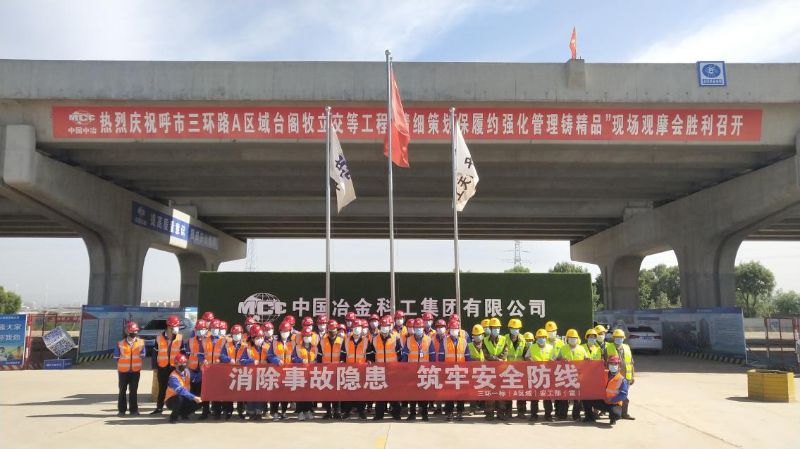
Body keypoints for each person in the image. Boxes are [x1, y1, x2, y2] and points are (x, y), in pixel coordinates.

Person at [368, 315, 402, 420]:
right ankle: (379, 414)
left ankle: (396, 413)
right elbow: (371, 355)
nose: (384, 328)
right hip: (380, 370)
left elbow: (400, 355)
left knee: (394, 393)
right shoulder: (374, 339)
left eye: (386, 326)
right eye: (382, 326)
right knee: (380, 394)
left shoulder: (395, 338)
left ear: (389, 326)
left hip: (393, 370)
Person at [402, 318, 436, 421]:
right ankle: (412, 413)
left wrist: (431, 369)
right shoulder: (409, 340)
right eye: (416, 328)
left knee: (424, 394)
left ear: (423, 328)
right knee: (412, 394)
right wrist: (404, 368)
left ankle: (424, 414)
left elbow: (432, 356)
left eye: (420, 327)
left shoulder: (428, 340)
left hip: (424, 371)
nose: (418, 330)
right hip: (412, 371)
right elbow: (404, 356)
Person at [151, 315, 184, 415]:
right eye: (176, 326)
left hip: (175, 368)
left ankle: (176, 408)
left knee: (176, 388)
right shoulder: (159, 338)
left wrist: (182, 366)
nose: (177, 328)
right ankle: (159, 408)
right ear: (169, 327)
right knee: (162, 388)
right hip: (162, 367)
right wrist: (154, 367)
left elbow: (183, 353)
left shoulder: (180, 338)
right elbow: (154, 353)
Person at [220, 324, 253, 420]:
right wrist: (228, 359)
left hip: (241, 372)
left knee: (241, 393)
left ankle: (240, 411)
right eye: (235, 334)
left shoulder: (245, 346)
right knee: (228, 392)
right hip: (229, 372)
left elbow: (249, 358)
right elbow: (222, 356)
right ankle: (228, 411)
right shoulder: (227, 345)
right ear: (231, 335)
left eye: (238, 334)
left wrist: (243, 361)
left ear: (242, 334)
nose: (236, 335)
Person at [583, 355, 627, 425]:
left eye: (615, 364)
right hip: (602, 401)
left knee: (616, 414)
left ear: (618, 365)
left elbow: (623, 395)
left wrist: (611, 399)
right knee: (586, 398)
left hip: (614, 403)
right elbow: (592, 371)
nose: (613, 365)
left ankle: (612, 419)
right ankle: (589, 417)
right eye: (611, 363)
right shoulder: (603, 373)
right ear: (608, 364)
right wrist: (589, 362)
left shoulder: (622, 379)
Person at [114, 321, 146, 416]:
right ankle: (121, 410)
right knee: (122, 391)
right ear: (127, 331)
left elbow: (143, 355)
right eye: (132, 331)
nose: (134, 333)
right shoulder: (120, 344)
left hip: (135, 371)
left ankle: (134, 410)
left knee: (133, 391)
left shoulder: (141, 343)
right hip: (123, 372)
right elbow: (116, 357)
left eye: (136, 331)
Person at [441, 317, 470, 421]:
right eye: (452, 329)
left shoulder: (463, 341)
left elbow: (467, 357)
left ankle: (460, 412)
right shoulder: (445, 341)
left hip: (461, 371)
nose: (454, 331)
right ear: (449, 330)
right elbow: (441, 357)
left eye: (455, 329)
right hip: (448, 372)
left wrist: (468, 370)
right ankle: (449, 413)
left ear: (458, 330)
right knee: (449, 393)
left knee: (460, 394)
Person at [184, 319, 212, 420]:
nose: (200, 331)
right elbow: (187, 355)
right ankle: (191, 410)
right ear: (195, 330)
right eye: (199, 329)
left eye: (202, 329)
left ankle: (205, 412)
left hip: (204, 370)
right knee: (192, 392)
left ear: (206, 330)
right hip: (192, 370)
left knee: (204, 392)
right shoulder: (190, 341)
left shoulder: (209, 341)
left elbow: (210, 355)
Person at [525, 328, 555, 422]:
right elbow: (526, 357)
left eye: (543, 337)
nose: (541, 339)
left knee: (547, 396)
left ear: (546, 338)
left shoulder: (551, 347)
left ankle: (548, 415)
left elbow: (555, 359)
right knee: (534, 396)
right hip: (535, 374)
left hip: (547, 375)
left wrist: (552, 361)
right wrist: (529, 360)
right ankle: (533, 415)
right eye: (539, 337)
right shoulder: (532, 347)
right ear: (536, 338)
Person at [267, 321, 295, 420]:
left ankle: (284, 412)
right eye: (282, 331)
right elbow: (269, 355)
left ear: (290, 331)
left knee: (286, 393)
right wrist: (276, 360)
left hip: (288, 372)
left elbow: (295, 355)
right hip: (276, 371)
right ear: (279, 331)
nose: (284, 333)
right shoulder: (274, 342)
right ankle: (274, 412)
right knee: (275, 393)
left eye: (286, 331)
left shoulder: (293, 342)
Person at [606, 328, 635, 420]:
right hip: (613, 376)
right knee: (612, 394)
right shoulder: (608, 348)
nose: (619, 339)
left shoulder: (626, 347)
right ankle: (611, 411)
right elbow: (605, 362)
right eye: (617, 337)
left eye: (621, 337)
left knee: (624, 395)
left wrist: (633, 376)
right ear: (613, 338)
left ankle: (624, 413)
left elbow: (631, 363)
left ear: (623, 338)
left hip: (626, 377)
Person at [557, 329, 587, 420]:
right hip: (566, 376)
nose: (572, 339)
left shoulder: (582, 349)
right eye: (570, 338)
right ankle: (562, 415)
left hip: (578, 377)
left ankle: (576, 416)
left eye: (574, 338)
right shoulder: (563, 348)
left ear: (577, 339)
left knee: (577, 398)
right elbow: (557, 359)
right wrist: (561, 360)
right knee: (564, 397)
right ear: (567, 339)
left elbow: (587, 359)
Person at [164, 353, 203, 423]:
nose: (182, 365)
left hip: (184, 397)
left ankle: (183, 413)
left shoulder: (187, 372)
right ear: (175, 365)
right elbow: (180, 390)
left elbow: (197, 377)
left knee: (200, 401)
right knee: (179, 399)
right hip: (171, 400)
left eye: (184, 363)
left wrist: (203, 368)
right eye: (180, 363)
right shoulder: (173, 377)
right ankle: (173, 417)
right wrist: (194, 397)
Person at [343, 319, 369, 419]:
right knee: (349, 393)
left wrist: (369, 361)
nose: (357, 329)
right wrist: (342, 361)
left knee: (361, 392)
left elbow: (370, 354)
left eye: (359, 327)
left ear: (362, 329)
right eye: (355, 327)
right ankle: (347, 412)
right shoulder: (346, 340)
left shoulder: (366, 340)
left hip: (362, 370)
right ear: (352, 328)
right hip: (349, 370)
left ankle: (361, 412)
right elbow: (343, 354)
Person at [320, 320, 345, 419]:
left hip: (337, 370)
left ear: (337, 329)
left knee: (337, 392)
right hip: (325, 370)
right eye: (330, 329)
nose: (332, 331)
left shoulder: (341, 340)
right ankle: (328, 411)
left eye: (334, 329)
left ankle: (337, 411)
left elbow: (344, 354)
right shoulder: (322, 341)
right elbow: (319, 355)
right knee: (326, 392)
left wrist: (343, 361)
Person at [293, 326, 318, 421]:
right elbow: (293, 358)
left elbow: (318, 358)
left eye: (309, 336)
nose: (307, 338)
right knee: (300, 393)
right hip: (300, 373)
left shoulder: (314, 348)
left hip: (311, 373)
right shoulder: (297, 347)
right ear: (302, 337)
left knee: (309, 393)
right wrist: (300, 360)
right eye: (305, 336)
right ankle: (300, 412)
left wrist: (316, 362)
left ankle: (308, 410)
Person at [246, 324, 270, 420]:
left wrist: (269, 361)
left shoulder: (267, 347)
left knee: (261, 394)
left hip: (263, 375)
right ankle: (251, 413)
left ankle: (259, 412)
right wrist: (252, 361)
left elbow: (271, 357)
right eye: (257, 338)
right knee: (251, 394)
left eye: (261, 337)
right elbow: (242, 360)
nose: (260, 339)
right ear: (252, 338)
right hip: (250, 375)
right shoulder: (247, 348)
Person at [505, 318, 527, 419]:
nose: (515, 330)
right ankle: (508, 412)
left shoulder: (523, 339)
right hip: (507, 370)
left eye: (517, 328)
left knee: (521, 392)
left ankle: (521, 412)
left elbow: (526, 354)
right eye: (513, 328)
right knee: (508, 393)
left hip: (520, 370)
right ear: (509, 329)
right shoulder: (504, 339)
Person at [467, 324, 486, 419]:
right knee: (473, 392)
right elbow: (466, 359)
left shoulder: (486, 345)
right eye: (475, 335)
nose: (478, 336)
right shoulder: (469, 346)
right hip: (473, 372)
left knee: (485, 390)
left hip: (485, 371)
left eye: (479, 335)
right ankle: (472, 409)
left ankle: (485, 408)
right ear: (473, 336)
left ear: (483, 335)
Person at [431, 318, 448, 416]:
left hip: (447, 366)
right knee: (437, 388)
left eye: (442, 327)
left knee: (447, 388)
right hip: (436, 366)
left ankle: (447, 407)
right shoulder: (432, 338)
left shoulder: (448, 338)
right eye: (438, 327)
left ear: (445, 328)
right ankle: (438, 407)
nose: (440, 329)